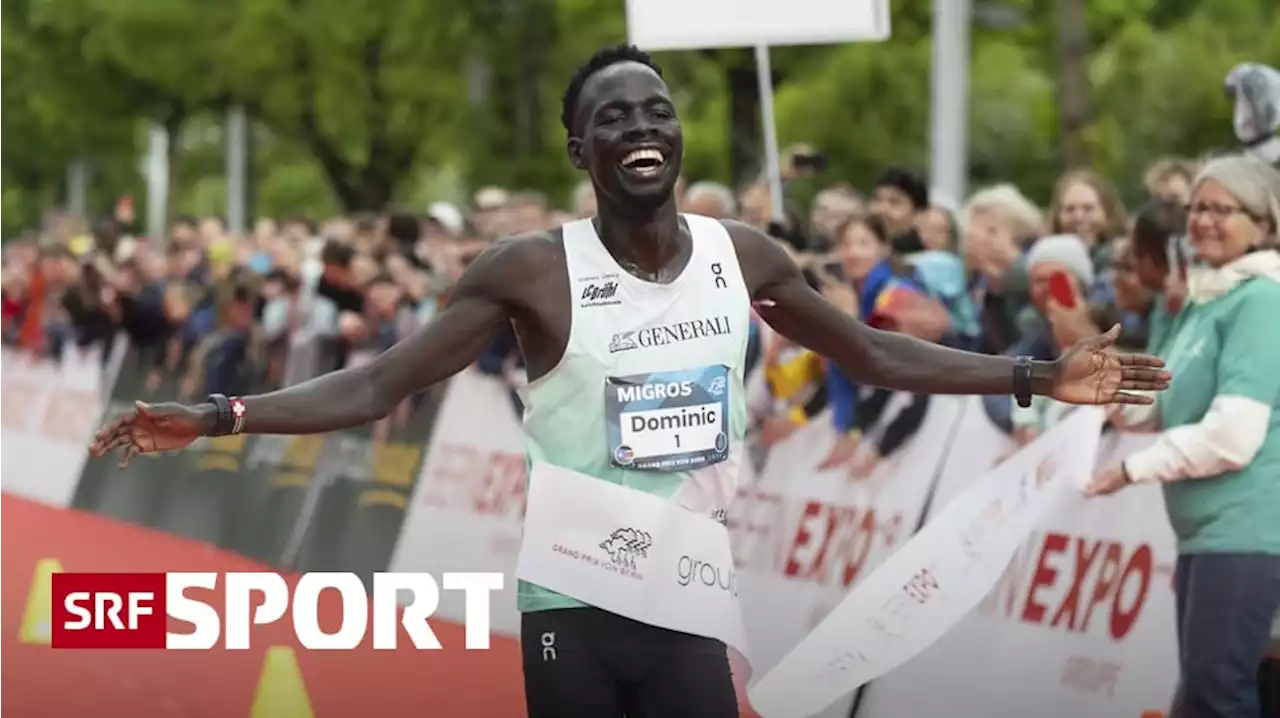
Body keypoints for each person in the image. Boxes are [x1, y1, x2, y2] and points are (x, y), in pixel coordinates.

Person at [91, 44, 1169, 718]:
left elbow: (872, 353)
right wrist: (221, 412)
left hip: (691, 588)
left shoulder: (740, 255)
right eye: (613, 117)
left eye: (654, 111)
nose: (640, 129)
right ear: (578, 149)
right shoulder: (527, 270)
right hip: (570, 589)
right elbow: (377, 385)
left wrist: (1032, 370)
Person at [1086, 153, 1280, 718]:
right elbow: (1162, 401)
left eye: (1224, 209)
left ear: (1264, 223)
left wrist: (1131, 469)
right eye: (1198, 208)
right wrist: (1105, 396)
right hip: (1206, 536)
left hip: (1248, 530)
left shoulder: (1264, 301)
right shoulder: (1207, 297)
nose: (1205, 221)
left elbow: (1232, 436)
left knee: (1215, 694)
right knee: (1204, 694)